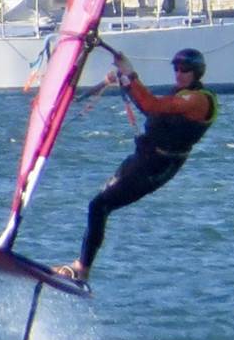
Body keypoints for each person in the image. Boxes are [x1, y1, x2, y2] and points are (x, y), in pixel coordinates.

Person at [54, 47, 217, 285]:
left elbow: (151, 106)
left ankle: (82, 269)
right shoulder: (182, 94)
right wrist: (127, 80)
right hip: (144, 158)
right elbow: (150, 109)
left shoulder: (197, 100)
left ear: (197, 72)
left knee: (99, 206)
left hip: (157, 167)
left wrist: (130, 75)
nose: (179, 74)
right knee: (99, 204)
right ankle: (80, 266)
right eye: (176, 69)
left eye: (185, 70)